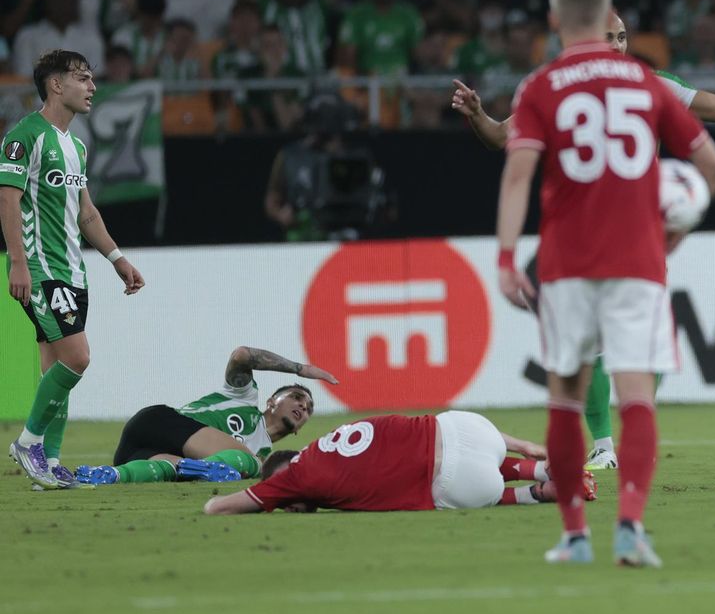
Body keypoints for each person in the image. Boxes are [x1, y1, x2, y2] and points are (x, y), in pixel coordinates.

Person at [453, 8, 715, 471]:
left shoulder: (647, 82)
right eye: (607, 37)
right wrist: (479, 115)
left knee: (640, 334)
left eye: (621, 37)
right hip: (579, 227)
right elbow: (499, 137)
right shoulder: (556, 87)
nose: (617, 46)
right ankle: (604, 446)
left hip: (636, 229)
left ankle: (636, 436)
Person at [494, 0, 715, 567]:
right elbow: (713, 165)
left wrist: (504, 257)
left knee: (566, 401)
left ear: (554, 22)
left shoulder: (540, 87)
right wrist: (671, 236)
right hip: (636, 261)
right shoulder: (644, 81)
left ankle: (574, 536)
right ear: (607, 20)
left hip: (566, 265)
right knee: (636, 398)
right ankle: (630, 529)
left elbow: (517, 174)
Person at [4, 50, 145, 489]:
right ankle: (28, 443)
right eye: (83, 78)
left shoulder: (76, 146)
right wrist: (18, 263)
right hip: (42, 269)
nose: (93, 88)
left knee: (55, 371)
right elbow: (7, 198)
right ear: (56, 85)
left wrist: (117, 257)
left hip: (73, 271)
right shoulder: (24, 136)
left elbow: (86, 214)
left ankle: (48, 461)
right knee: (78, 358)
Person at [201, 411, 595, 514]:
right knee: (444, 435)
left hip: (465, 484)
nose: (292, 507)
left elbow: (217, 507)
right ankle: (541, 467)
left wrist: (268, 498)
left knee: (452, 485)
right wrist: (524, 443)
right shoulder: (333, 436)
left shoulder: (296, 476)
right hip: (475, 428)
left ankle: (534, 494)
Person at [75, 346, 337, 484]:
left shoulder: (263, 455)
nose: (303, 406)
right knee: (252, 464)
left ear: (298, 429)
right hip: (158, 423)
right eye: (297, 397)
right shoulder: (243, 398)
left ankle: (109, 475)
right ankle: (198, 470)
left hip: (137, 457)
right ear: (271, 401)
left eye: (309, 408)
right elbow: (242, 355)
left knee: (167, 471)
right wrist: (298, 369)